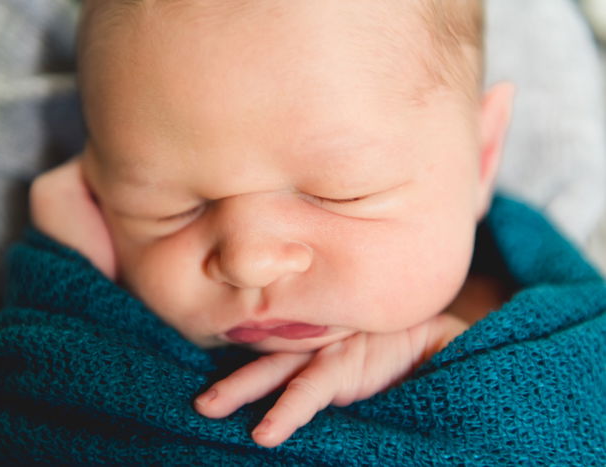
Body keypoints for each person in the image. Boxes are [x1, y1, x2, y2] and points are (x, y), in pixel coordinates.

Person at [29, 0, 513, 448]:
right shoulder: (87, 340)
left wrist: (466, 371)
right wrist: (76, 293)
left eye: (341, 190)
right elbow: (6, 434)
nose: (247, 262)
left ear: (483, 156)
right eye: (166, 207)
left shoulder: (553, 333)